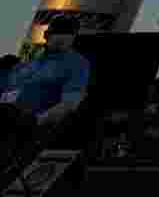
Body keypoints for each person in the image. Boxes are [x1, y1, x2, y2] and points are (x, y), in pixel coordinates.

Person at [0, 17, 91, 175]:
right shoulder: (24, 66)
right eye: (59, 32)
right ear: (47, 35)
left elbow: (70, 103)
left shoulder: (76, 63)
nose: (63, 37)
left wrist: (38, 120)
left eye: (69, 33)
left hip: (31, 122)